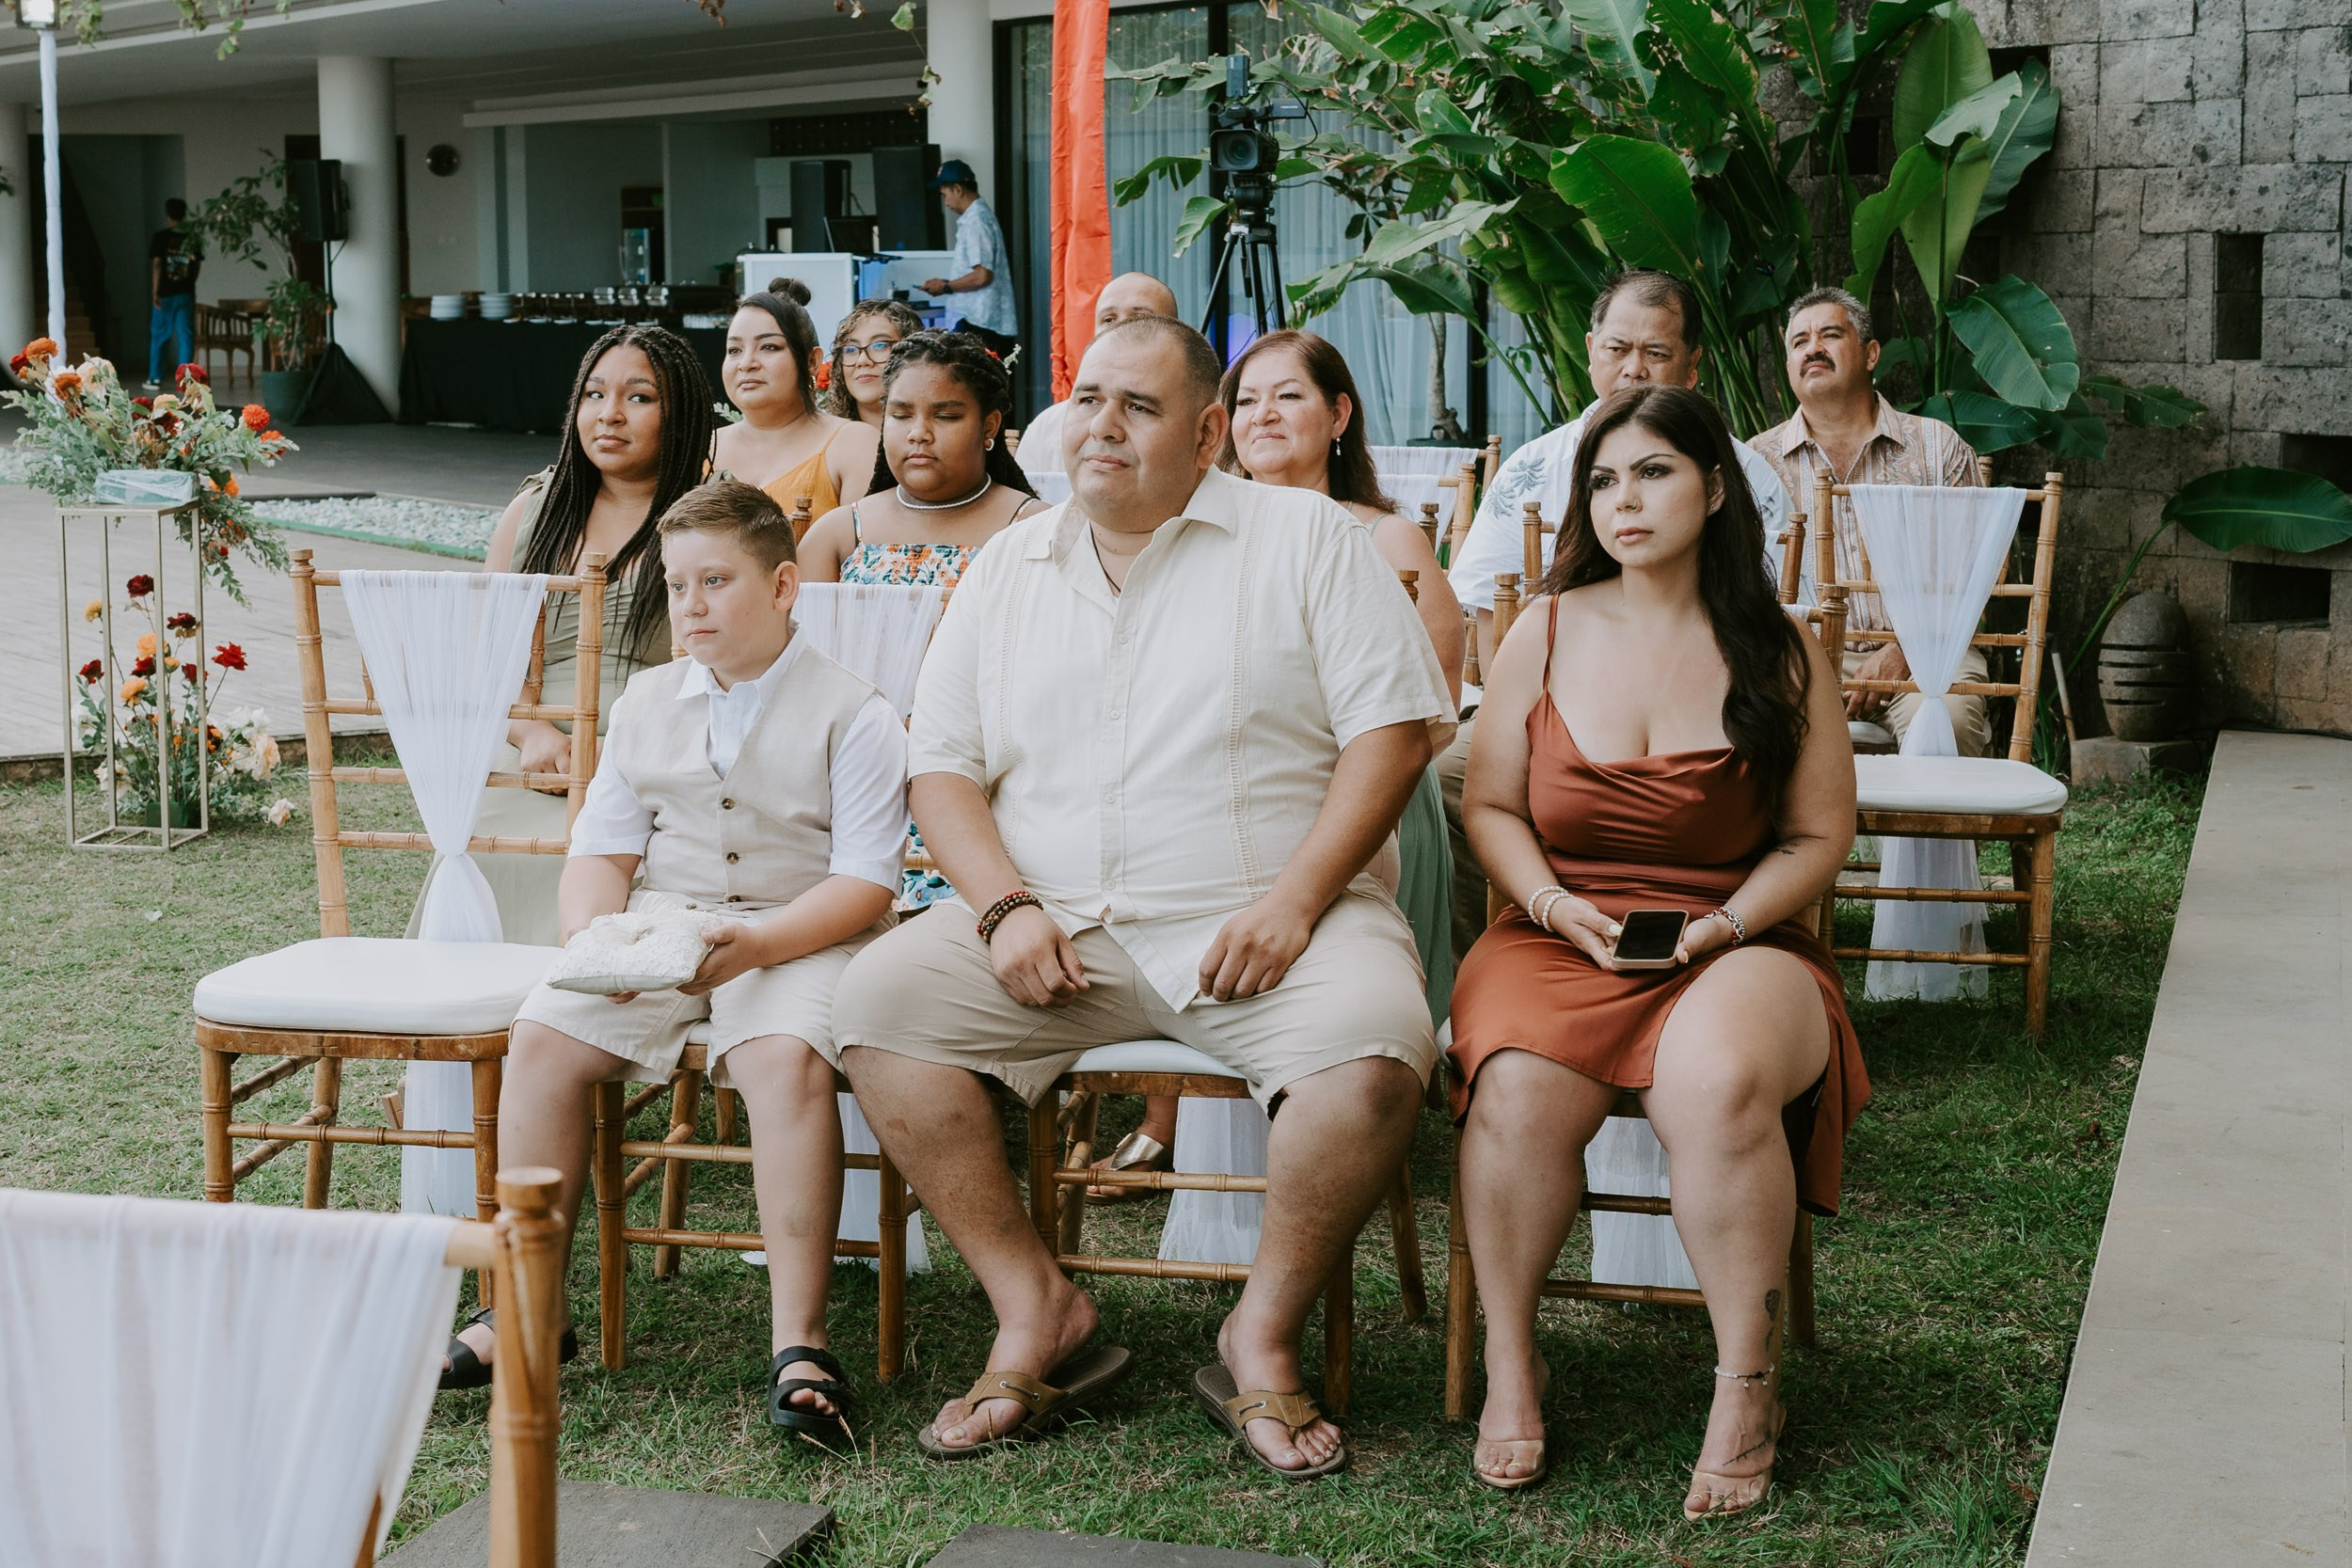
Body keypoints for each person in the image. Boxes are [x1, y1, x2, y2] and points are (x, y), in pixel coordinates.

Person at [831, 315, 1454, 1479]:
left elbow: (1392, 737)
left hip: (1267, 917)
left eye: (1140, 405)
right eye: (1088, 396)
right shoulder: (1009, 561)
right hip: (1056, 921)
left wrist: (1295, 901)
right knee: (879, 1008)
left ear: (1210, 430)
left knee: (1373, 1057)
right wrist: (1006, 907)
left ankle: (1257, 1332)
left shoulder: (1306, 537)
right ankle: (1038, 1309)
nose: (1100, 425)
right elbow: (942, 767)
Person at [1448, 385, 1866, 1513]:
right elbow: (1491, 805)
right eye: (1602, 480)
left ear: (1715, 486)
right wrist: (1544, 904)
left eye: (1653, 473)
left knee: (1718, 1079)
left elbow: (1822, 833)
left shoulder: (1775, 647)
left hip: (1736, 931)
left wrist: (1724, 924)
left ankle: (1745, 1379)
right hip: (1557, 925)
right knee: (1520, 1089)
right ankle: (1512, 1359)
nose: (1622, 500)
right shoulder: (1541, 626)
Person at [437, 481, 909, 1450]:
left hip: (803, 926)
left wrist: (760, 946)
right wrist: (591, 941)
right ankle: (527, 1303)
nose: (689, 604)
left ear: (783, 585)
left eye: (715, 581)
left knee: (782, 1059)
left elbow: (865, 881)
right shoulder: (646, 700)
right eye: (677, 583)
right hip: (662, 922)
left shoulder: (855, 712)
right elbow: (603, 850)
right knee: (541, 1035)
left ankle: (800, 1341)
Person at [1076, 328, 1464, 1206]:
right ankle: (1170, 1115)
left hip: (1368, 799)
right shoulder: (1175, 533)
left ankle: (1324, 1098)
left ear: (1339, 415)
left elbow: (1428, 710)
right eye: (1246, 399)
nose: (1263, 415)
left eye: (1287, 396)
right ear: (1214, 426)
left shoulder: (1386, 538)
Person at [1437, 268, 1794, 964]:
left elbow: (1773, 619)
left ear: (1694, 365)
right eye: (1618, 348)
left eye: (1657, 353)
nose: (1634, 368)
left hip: (1710, 706)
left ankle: (1725, 932)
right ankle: (1476, 959)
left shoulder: (1746, 474)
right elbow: (1481, 605)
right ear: (1591, 348)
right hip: (1546, 699)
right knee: (1445, 774)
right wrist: (1546, 706)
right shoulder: (1535, 467)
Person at [427, 325, 719, 945]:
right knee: (490, 841)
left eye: (639, 397)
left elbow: (740, 668)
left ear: (682, 412)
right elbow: (483, 662)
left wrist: (621, 753)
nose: (610, 414)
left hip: (666, 753)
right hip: (531, 750)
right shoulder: (534, 509)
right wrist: (530, 730)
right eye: (594, 395)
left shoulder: (716, 518)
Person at [802, 329, 1046, 908]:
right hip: (856, 784)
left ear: (990, 427)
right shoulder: (841, 534)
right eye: (901, 413)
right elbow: (799, 676)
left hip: (989, 784)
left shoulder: (1034, 531)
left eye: (947, 415)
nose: (919, 433)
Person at [1750, 286, 1991, 752]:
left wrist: (1903, 650)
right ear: (1788, 367)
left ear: (1871, 353)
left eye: (1830, 335)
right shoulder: (1757, 463)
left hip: (1928, 649)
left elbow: (1974, 575)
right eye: (1799, 342)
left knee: (1949, 720)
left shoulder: (1937, 450)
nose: (1812, 348)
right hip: (1796, 656)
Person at [714, 277, 880, 522]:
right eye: (734, 350)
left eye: (768, 347)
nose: (747, 363)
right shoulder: (705, 448)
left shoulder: (854, 444)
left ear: (811, 361)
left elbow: (864, 553)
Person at [1017, 272, 1180, 478]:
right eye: (1109, 319)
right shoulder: (1047, 427)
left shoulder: (1189, 422)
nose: (1120, 328)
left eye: (1140, 318)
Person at [921, 160, 1020, 361]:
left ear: (957, 189)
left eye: (944, 195)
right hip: (983, 322)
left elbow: (982, 275)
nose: (945, 202)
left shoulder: (976, 221)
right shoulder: (978, 217)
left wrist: (947, 287)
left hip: (980, 322)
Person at [823, 297, 925, 430]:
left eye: (880, 345)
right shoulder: (826, 439)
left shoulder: (939, 437)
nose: (862, 361)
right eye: (850, 349)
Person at [147, 198, 199, 393]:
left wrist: (155, 291)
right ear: (184, 214)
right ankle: (185, 382)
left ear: (167, 215)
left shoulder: (160, 237)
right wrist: (190, 283)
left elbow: (158, 264)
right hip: (186, 293)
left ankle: (154, 378)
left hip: (165, 294)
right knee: (186, 336)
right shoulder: (192, 237)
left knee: (160, 335)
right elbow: (197, 265)